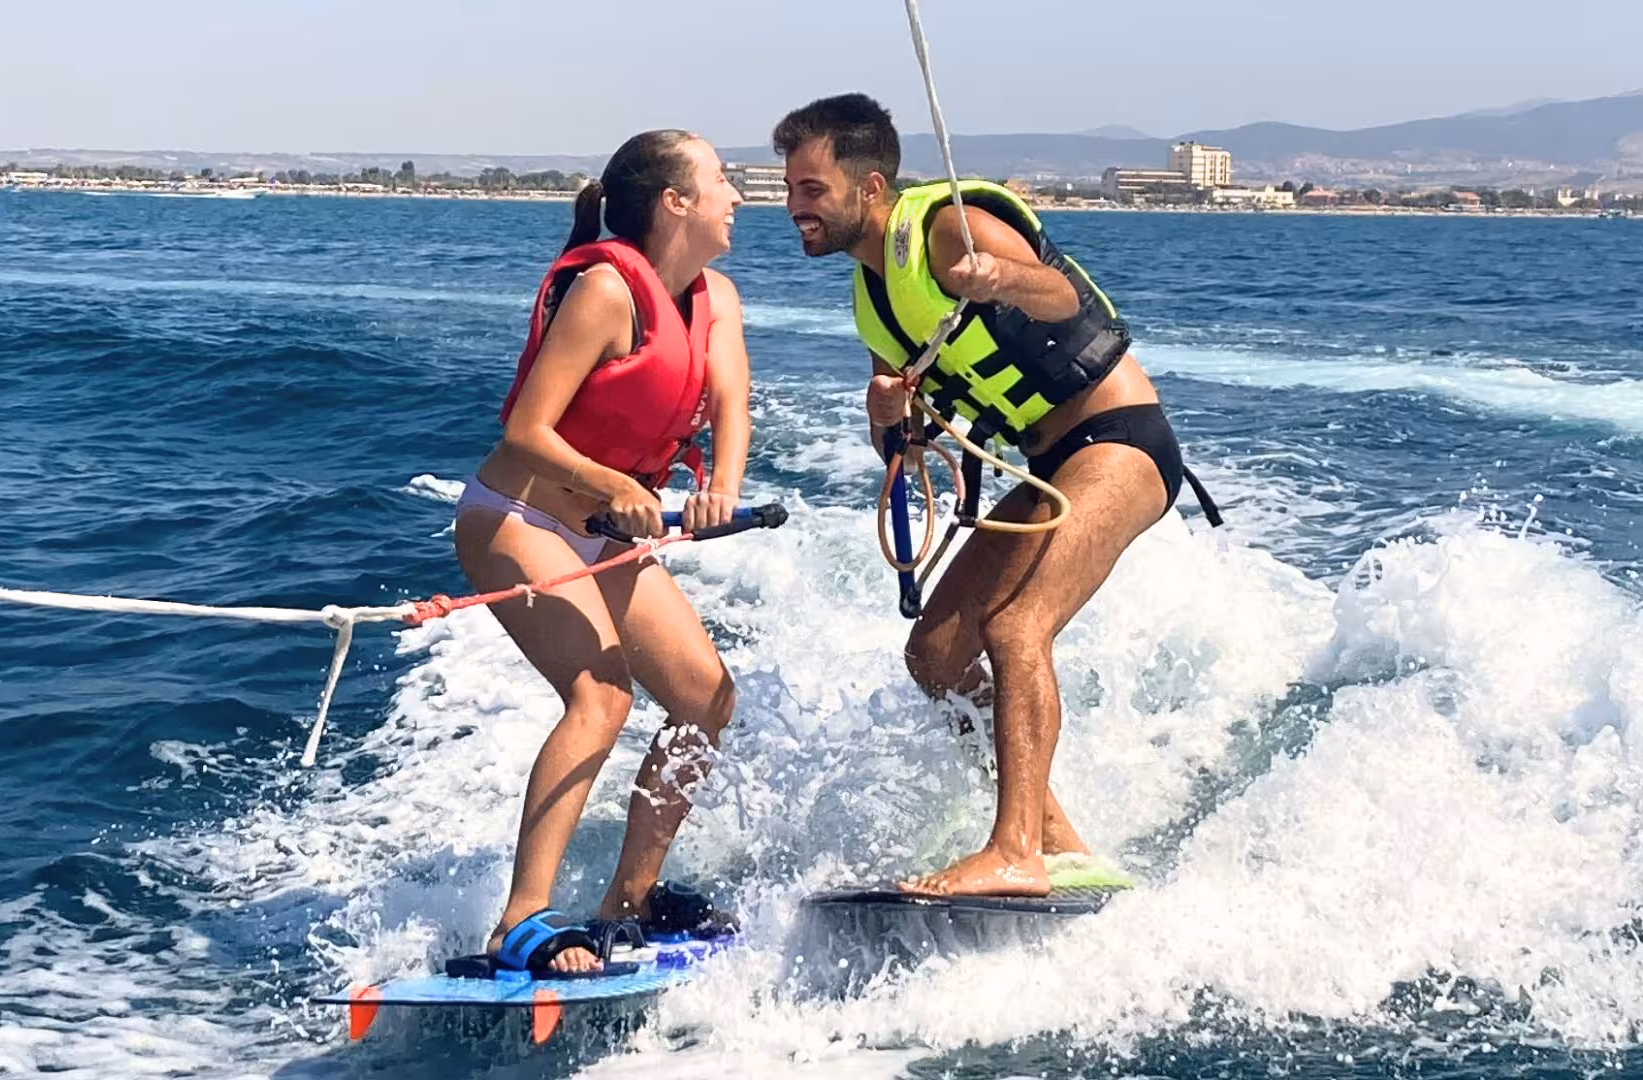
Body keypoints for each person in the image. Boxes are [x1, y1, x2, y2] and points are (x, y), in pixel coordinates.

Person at [770, 93, 1222, 898]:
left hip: (1121, 441)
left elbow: (1056, 296)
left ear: (869, 188)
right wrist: (890, 421)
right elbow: (913, 449)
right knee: (937, 655)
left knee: (1018, 625)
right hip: (1049, 466)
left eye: (811, 190)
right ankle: (1055, 834)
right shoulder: (873, 300)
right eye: (792, 190)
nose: (794, 206)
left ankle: (1014, 850)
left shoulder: (943, 227)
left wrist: (996, 275)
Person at [450, 129, 752, 974]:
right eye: (723, 181)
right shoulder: (606, 290)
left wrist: (722, 481)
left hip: (604, 540)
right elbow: (527, 430)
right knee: (602, 696)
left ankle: (631, 899)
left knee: (705, 699)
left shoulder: (715, 296)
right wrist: (610, 483)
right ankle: (520, 922)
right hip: (518, 517)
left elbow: (732, 400)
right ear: (675, 201)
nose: (739, 196)